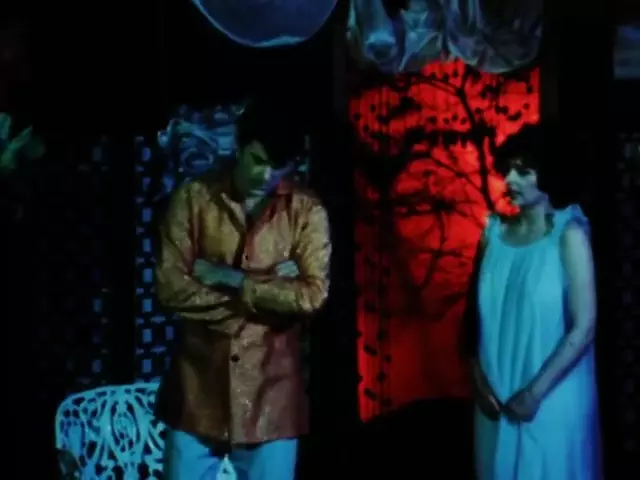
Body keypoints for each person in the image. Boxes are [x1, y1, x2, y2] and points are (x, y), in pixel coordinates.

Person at [153, 102, 331, 480]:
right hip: (197, 394)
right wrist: (272, 287)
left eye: (277, 167)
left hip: (271, 401)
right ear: (239, 145)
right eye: (257, 161)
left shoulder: (306, 211)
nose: (265, 175)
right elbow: (170, 288)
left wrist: (234, 279)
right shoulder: (194, 198)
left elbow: (312, 296)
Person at [463, 123, 601, 479]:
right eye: (509, 169)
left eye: (524, 172)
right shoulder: (492, 234)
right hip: (495, 395)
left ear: (550, 174)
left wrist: (534, 393)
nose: (510, 179)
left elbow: (585, 326)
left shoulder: (568, 235)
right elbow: (470, 318)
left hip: (550, 398)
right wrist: (478, 379)